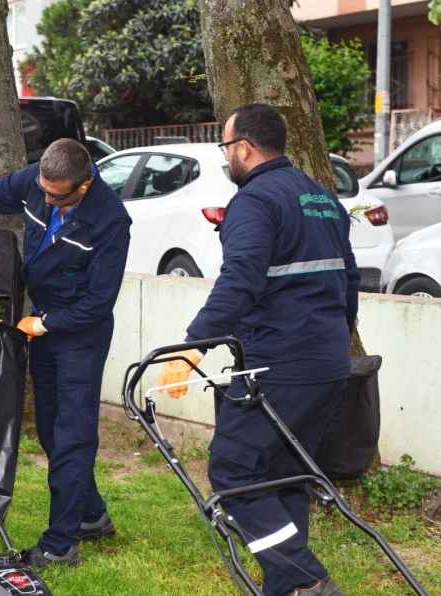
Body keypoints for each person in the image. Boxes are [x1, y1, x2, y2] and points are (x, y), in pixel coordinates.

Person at [157, 103, 358, 596]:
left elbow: (240, 280)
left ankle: (306, 580)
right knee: (283, 475)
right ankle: (288, 588)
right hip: (329, 362)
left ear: (244, 148)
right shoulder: (321, 197)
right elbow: (349, 280)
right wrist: (332, 336)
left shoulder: (254, 201)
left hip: (279, 364)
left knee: (235, 468)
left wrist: (192, 349)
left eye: (225, 146)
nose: (225, 156)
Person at [0, 138, 132, 568]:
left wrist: (46, 323)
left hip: (80, 333)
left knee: (72, 433)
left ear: (84, 186)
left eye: (57, 197)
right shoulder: (36, 179)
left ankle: (60, 544)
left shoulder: (110, 220)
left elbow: (99, 301)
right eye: (43, 191)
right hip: (45, 323)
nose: (46, 200)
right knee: (51, 430)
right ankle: (91, 515)